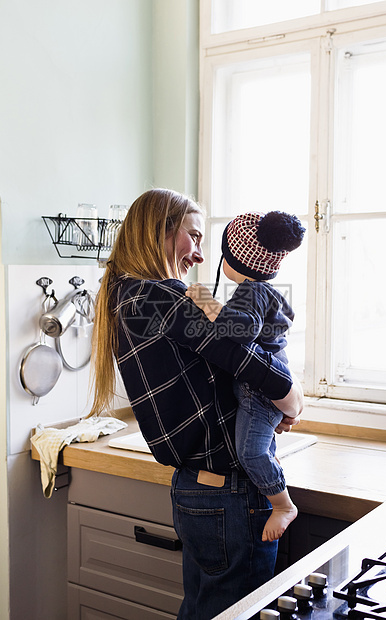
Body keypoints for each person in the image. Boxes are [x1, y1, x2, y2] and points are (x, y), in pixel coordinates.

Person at [89, 189, 303, 620]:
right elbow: (238, 352)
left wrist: (264, 409)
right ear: (161, 230)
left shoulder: (135, 294)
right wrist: (292, 399)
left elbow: (221, 336)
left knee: (205, 610)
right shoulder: (153, 296)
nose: (201, 254)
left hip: (201, 489)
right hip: (227, 493)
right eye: (195, 236)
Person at [185, 210, 305, 543]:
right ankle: (274, 483)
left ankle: (283, 505)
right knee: (261, 448)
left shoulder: (252, 293)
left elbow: (239, 330)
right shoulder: (260, 292)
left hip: (258, 393)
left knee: (251, 453)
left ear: (237, 259)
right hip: (264, 390)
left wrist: (204, 301)